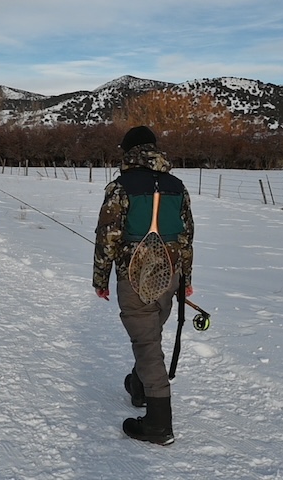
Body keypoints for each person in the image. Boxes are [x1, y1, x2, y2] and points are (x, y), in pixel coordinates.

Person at [92, 125, 194, 445]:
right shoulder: (177, 186)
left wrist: (100, 279)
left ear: (129, 152)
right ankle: (139, 387)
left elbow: (106, 238)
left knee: (147, 343)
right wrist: (185, 280)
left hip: (133, 278)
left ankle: (159, 423)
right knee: (149, 336)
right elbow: (186, 237)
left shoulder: (120, 186)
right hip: (169, 277)